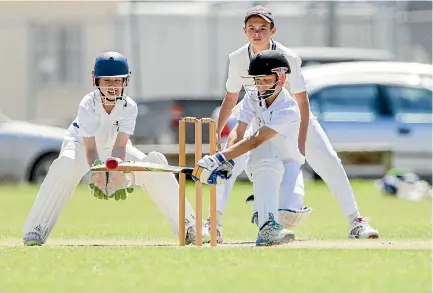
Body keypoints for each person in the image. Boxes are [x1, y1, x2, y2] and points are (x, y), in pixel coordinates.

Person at [202, 5, 379, 241]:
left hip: (291, 118)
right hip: (259, 114)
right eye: (252, 28)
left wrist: (301, 145)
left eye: (263, 28)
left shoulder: (288, 57)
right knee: (229, 162)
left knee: (330, 161)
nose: (257, 33)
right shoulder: (237, 59)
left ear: (273, 30)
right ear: (244, 31)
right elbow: (232, 97)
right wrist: (219, 144)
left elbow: (302, 102)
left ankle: (355, 222)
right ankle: (213, 224)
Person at [22, 52, 197, 246]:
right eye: (107, 81)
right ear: (95, 80)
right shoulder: (87, 105)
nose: (112, 87)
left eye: (117, 81)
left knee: (155, 163)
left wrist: (117, 170)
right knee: (63, 166)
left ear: (126, 81)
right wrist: (98, 171)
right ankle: (35, 229)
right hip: (81, 147)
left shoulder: (129, 107)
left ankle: (189, 226)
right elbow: (90, 149)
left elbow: (121, 145)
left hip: (115, 147)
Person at [193, 50, 306, 246]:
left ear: (280, 78)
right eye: (257, 80)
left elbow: (257, 139)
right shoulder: (253, 97)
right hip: (257, 155)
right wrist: (224, 160)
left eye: (265, 79)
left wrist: (218, 158)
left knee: (289, 216)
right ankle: (214, 224)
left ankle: (266, 215)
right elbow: (239, 130)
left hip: (288, 164)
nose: (260, 85)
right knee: (226, 168)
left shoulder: (288, 108)